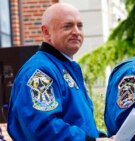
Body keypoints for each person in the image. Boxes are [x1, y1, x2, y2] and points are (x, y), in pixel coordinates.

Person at [7, 3, 113, 141]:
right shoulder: (40, 73)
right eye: (67, 26)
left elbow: (79, 121)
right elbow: (43, 129)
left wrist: (100, 137)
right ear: (46, 32)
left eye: (79, 26)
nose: (76, 32)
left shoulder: (65, 67)